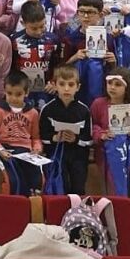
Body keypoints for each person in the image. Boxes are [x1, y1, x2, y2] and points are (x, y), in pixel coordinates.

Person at [38, 64, 92, 195]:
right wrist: (54, 137)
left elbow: (89, 139)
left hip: (78, 155)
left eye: (71, 84)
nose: (66, 88)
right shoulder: (47, 109)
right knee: (60, 186)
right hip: (55, 154)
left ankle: (77, 207)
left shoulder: (84, 110)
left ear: (78, 87)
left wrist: (76, 139)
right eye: (62, 84)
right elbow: (41, 135)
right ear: (55, 85)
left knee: (78, 187)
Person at [89, 68, 130, 194]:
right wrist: (102, 135)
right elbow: (93, 126)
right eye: (110, 83)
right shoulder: (98, 104)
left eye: (118, 84)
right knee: (114, 183)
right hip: (106, 154)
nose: (112, 87)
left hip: (129, 154)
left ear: (127, 88)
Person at [0, 71, 43, 195]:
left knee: (38, 179)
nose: (13, 98)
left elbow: (36, 138)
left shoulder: (33, 113)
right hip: (6, 149)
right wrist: (0, 150)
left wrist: (37, 149)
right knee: (12, 180)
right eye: (9, 93)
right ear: (4, 92)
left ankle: (32, 203)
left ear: (26, 93)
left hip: (26, 152)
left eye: (18, 94)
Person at [11, 1, 59, 108]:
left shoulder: (53, 40)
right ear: (23, 23)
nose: (38, 31)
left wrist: (54, 82)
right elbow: (11, 67)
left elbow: (57, 65)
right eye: (33, 28)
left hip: (47, 90)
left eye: (42, 26)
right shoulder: (14, 40)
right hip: (21, 90)